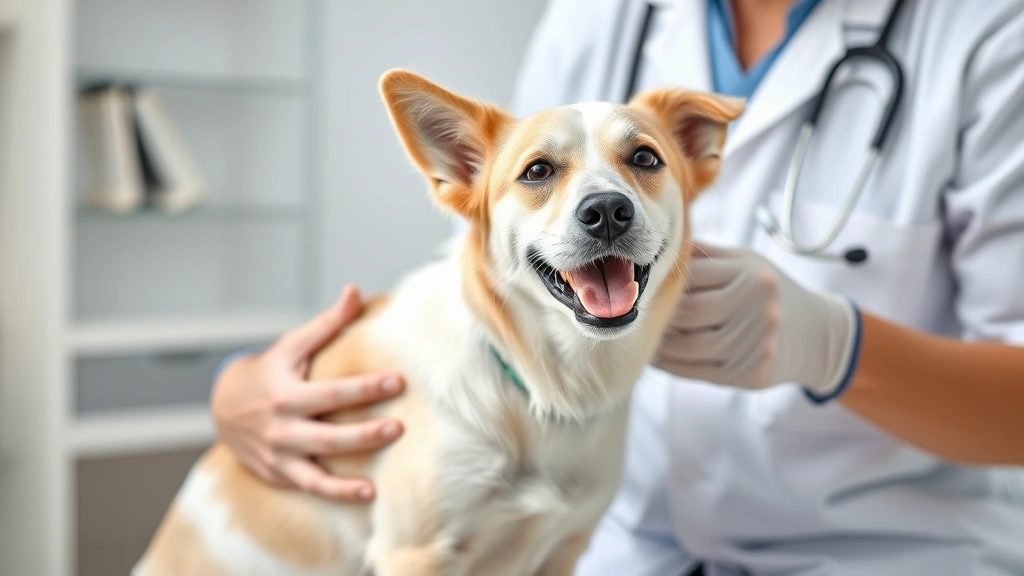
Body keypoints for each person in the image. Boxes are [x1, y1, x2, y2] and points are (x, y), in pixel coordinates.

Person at [210, 0, 1024, 573]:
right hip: (622, 544)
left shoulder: (990, 33)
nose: (605, 201)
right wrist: (246, 382)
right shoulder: (602, 13)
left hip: (879, 551)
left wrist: (833, 346)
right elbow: (507, 238)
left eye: (641, 160)